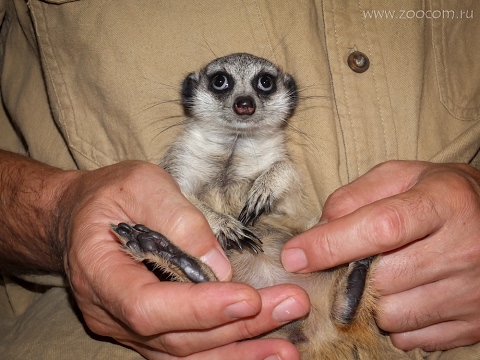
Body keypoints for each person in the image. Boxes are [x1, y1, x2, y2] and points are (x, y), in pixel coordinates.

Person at [0, 1, 479, 359]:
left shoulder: (275, 152)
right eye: (223, 84)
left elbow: (281, 181)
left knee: (316, 273)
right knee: (208, 271)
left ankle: (342, 301)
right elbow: (180, 196)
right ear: (193, 94)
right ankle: (192, 271)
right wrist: (60, 212)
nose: (244, 100)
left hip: (328, 280)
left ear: (287, 97)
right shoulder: (190, 147)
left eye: (264, 85)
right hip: (155, 329)